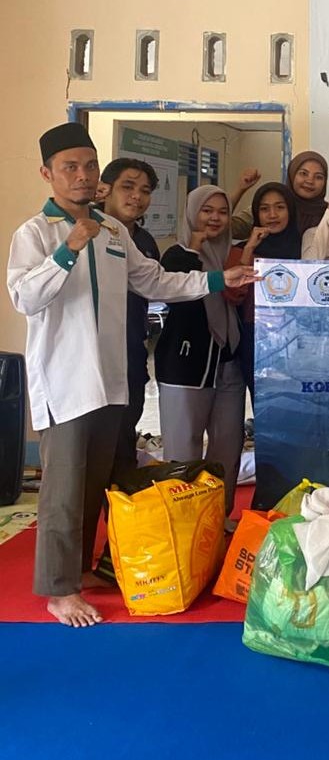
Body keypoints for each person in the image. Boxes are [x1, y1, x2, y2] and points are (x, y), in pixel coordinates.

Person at [6, 122, 257, 627]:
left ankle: (80, 569)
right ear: (48, 174)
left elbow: (155, 280)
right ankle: (58, 590)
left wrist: (217, 278)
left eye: (89, 165)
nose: (82, 175)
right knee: (63, 488)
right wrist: (68, 249)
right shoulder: (36, 233)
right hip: (66, 381)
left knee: (95, 482)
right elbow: (24, 297)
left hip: (112, 379)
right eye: (70, 167)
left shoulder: (114, 231)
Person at [155, 186, 249, 528]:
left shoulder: (229, 254)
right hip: (186, 365)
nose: (214, 218)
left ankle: (215, 520)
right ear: (192, 213)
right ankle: (183, 525)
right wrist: (194, 247)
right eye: (206, 210)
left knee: (227, 446)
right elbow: (175, 288)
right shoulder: (176, 254)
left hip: (228, 363)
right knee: (184, 448)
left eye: (222, 212)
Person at [95, 158, 161, 490]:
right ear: (103, 190)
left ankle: (120, 522)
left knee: (124, 446)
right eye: (128, 187)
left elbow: (157, 285)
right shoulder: (86, 234)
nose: (137, 196)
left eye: (145, 190)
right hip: (92, 361)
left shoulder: (145, 242)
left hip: (132, 355)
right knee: (91, 456)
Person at [224, 182, 301, 396]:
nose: (272, 215)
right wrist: (249, 248)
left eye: (280, 207)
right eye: (264, 209)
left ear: (290, 211)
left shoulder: (305, 248)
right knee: (265, 404)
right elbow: (232, 296)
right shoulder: (242, 250)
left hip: (298, 340)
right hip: (256, 341)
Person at [231, 150, 329, 240]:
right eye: (303, 173)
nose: (310, 181)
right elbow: (228, 228)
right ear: (292, 174)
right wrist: (240, 189)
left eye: (318, 177)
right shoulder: (272, 207)